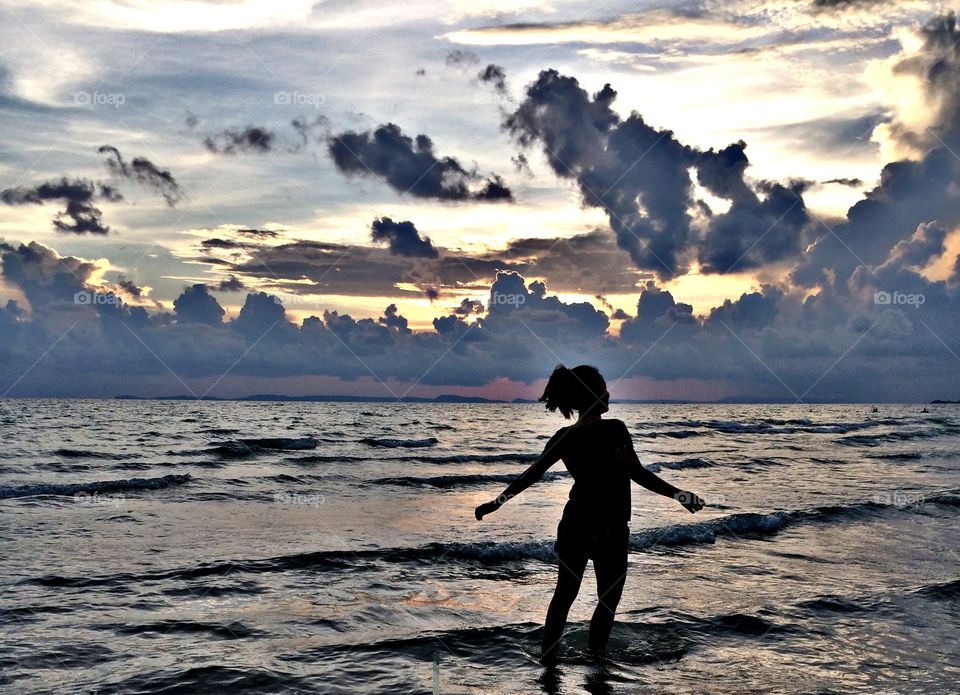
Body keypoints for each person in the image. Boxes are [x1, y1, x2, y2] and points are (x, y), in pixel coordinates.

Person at [474, 364, 705, 662]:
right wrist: (679, 494)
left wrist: (498, 502)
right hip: (609, 528)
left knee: (563, 596)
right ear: (593, 396)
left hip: (575, 526)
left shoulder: (564, 437)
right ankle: (597, 663)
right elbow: (636, 472)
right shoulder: (614, 429)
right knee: (607, 601)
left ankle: (548, 661)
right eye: (603, 389)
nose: (609, 394)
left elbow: (531, 475)